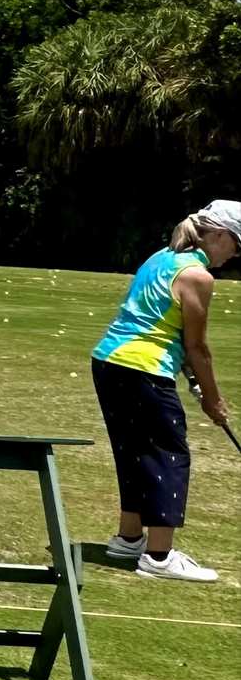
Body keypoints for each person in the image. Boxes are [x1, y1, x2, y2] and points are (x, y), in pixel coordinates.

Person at [91, 202, 241, 582]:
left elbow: (172, 330)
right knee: (168, 454)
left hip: (109, 362)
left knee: (133, 450)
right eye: (236, 244)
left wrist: (191, 377)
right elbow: (197, 347)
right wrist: (213, 399)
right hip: (144, 367)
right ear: (219, 235)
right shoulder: (198, 276)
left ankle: (128, 538)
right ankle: (159, 556)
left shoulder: (163, 257)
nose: (236, 253)